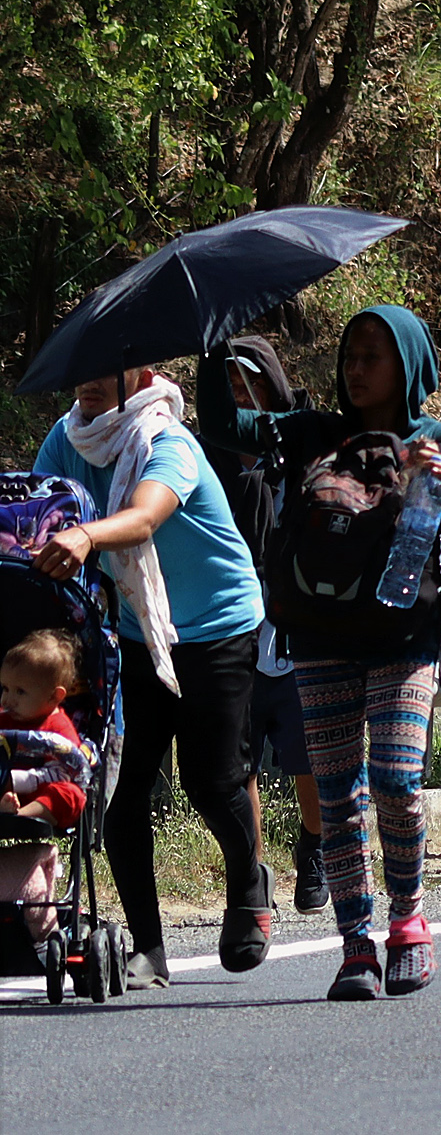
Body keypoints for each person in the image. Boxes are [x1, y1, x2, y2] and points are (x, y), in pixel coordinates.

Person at [207, 306, 441, 999]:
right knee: (339, 800)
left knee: (398, 783)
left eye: (373, 354)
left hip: (405, 642)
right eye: (351, 353)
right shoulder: (316, 433)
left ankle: (408, 923)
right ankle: (355, 946)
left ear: (409, 364)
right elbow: (227, 427)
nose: (356, 366)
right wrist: (208, 347)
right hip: (317, 641)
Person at [36, 362, 270, 990]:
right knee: (124, 782)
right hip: (136, 629)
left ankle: (249, 882)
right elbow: (35, 507)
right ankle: (148, 947)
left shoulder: (168, 442)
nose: (88, 383)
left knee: (210, 778)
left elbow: (142, 518)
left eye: (105, 371)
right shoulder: (68, 437)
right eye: (85, 369)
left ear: (138, 375)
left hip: (217, 625)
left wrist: (85, 536)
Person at [201, 335, 330, 915]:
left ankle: (314, 846)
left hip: (297, 628)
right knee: (240, 759)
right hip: (231, 627)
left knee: (309, 756)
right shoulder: (207, 458)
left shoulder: (302, 446)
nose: (240, 398)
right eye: (227, 387)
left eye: (248, 384)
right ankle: (251, 869)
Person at [0, 630, 89, 952]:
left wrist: (25, 784)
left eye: (20, 691)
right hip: (6, 787)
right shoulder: (4, 719)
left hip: (42, 798)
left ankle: (20, 815)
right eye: (5, 688)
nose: (8, 699)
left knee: (68, 792)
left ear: (54, 696)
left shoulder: (57, 727)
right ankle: (7, 807)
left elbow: (70, 767)